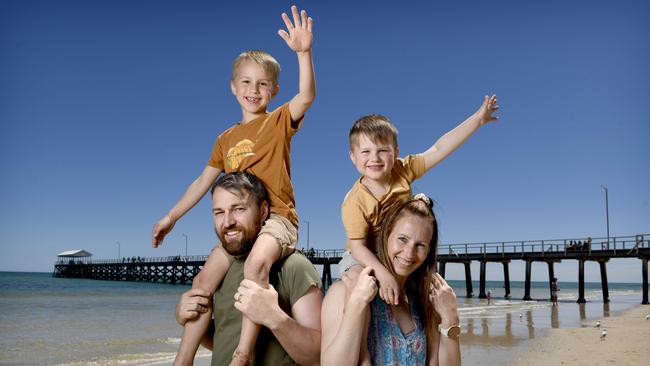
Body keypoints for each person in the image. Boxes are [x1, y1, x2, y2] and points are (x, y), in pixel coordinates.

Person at [153, 6, 316, 365]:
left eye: (262, 84)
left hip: (277, 221)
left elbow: (306, 97)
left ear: (273, 90)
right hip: (242, 226)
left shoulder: (276, 122)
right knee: (201, 283)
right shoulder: (225, 139)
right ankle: (183, 359)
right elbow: (202, 182)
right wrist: (171, 217)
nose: (253, 90)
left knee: (257, 264)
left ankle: (243, 352)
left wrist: (303, 53)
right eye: (245, 82)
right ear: (232, 87)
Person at [341, 95, 500, 306]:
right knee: (356, 282)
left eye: (383, 151)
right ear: (353, 156)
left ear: (395, 152)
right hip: (364, 255)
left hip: (397, 250)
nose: (375, 158)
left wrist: (477, 120)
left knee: (429, 290)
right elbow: (358, 246)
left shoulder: (402, 170)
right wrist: (382, 273)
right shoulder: (355, 200)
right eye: (366, 152)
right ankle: (354, 334)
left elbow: (439, 149)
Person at [175, 172, 322, 366]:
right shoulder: (219, 273)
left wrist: (275, 318)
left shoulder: (294, 267)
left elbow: (320, 357)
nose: (227, 222)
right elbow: (223, 339)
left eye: (238, 209)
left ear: (263, 212)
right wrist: (186, 316)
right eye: (219, 212)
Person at [322, 195, 460, 365]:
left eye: (420, 245)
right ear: (386, 235)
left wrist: (450, 318)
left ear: (428, 251)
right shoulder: (345, 290)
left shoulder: (423, 300)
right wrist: (357, 302)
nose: (409, 253)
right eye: (402, 239)